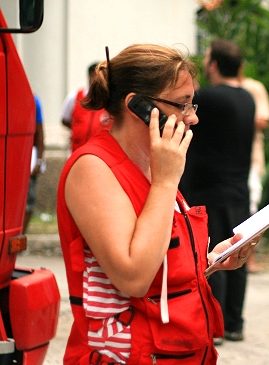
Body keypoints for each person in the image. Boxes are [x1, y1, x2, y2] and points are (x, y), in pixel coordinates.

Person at [56, 44, 256, 364]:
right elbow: (134, 277)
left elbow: (157, 256)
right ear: (139, 105)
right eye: (182, 105)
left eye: (194, 103)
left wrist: (209, 260)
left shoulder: (154, 162)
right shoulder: (94, 168)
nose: (193, 117)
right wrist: (165, 183)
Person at [179, 39, 255, 344]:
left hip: (209, 189)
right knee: (239, 255)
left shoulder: (207, 98)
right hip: (238, 188)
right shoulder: (247, 98)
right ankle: (235, 322)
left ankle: (218, 324)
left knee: (217, 256)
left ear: (212, 65)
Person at [239, 68, 269, 273]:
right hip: (226, 160)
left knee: (251, 210)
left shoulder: (253, 88)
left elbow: (263, 120)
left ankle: (248, 260)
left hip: (251, 157)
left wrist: (234, 113)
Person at [61, 62, 112, 154]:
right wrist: (79, 129)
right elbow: (65, 119)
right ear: (90, 76)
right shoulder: (74, 96)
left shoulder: (109, 99)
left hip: (101, 152)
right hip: (77, 150)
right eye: (95, 76)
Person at [23, 94, 45, 233]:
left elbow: (40, 133)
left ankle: (21, 235)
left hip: (29, 157)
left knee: (28, 200)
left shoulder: (33, 101)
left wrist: (39, 160)